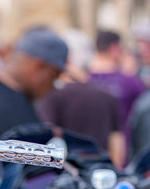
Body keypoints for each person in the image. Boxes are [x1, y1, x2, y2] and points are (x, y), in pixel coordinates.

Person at [38, 31, 125, 166]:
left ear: (67, 60)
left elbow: (46, 141)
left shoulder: (52, 96)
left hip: (65, 174)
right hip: (99, 171)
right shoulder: (107, 96)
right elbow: (117, 143)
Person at [89, 30, 145, 134]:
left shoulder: (83, 79)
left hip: (88, 145)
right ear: (115, 48)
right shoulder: (129, 81)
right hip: (121, 145)